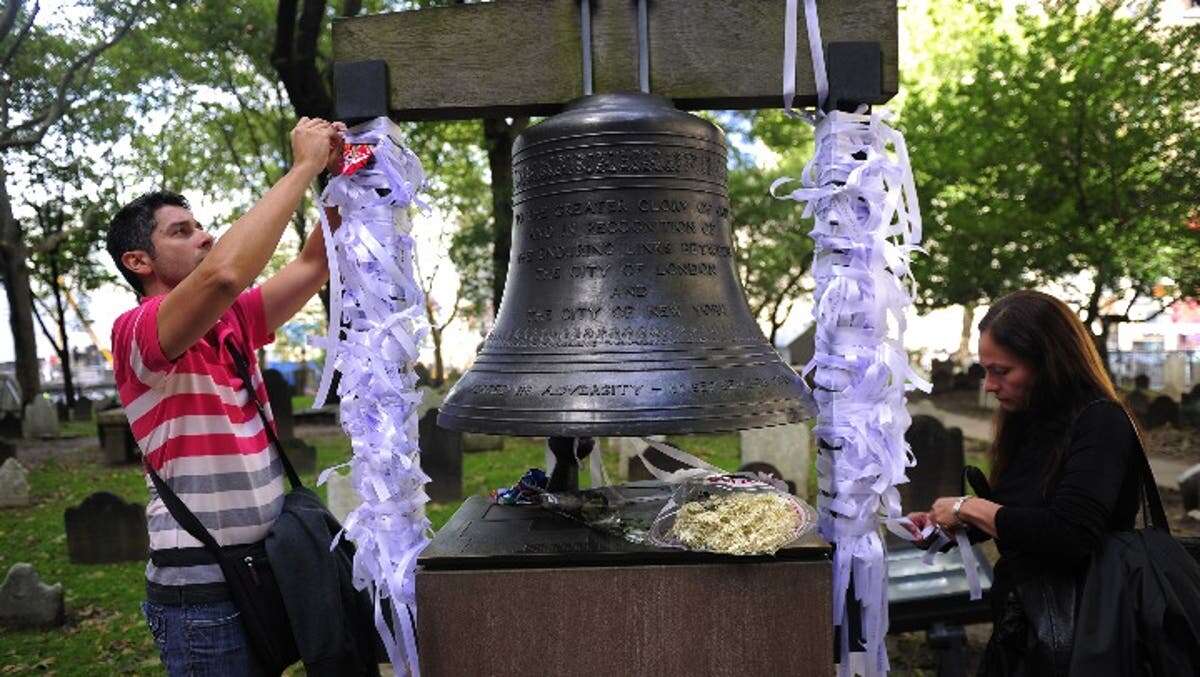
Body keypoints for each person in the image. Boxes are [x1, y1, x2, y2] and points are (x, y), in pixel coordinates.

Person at [105, 117, 345, 675]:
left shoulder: (233, 320)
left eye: (200, 227)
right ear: (138, 262)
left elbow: (315, 263)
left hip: (267, 571)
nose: (205, 236)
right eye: (181, 231)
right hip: (202, 595)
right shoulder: (136, 331)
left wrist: (346, 175)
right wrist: (302, 166)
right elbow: (224, 275)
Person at [905, 290, 1142, 675]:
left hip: (1084, 632)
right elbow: (1022, 511)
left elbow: (1069, 533)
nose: (990, 385)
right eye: (986, 370)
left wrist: (970, 507)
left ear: (1049, 363)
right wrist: (951, 526)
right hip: (1026, 622)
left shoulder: (1101, 423)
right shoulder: (1031, 420)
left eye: (1002, 371)